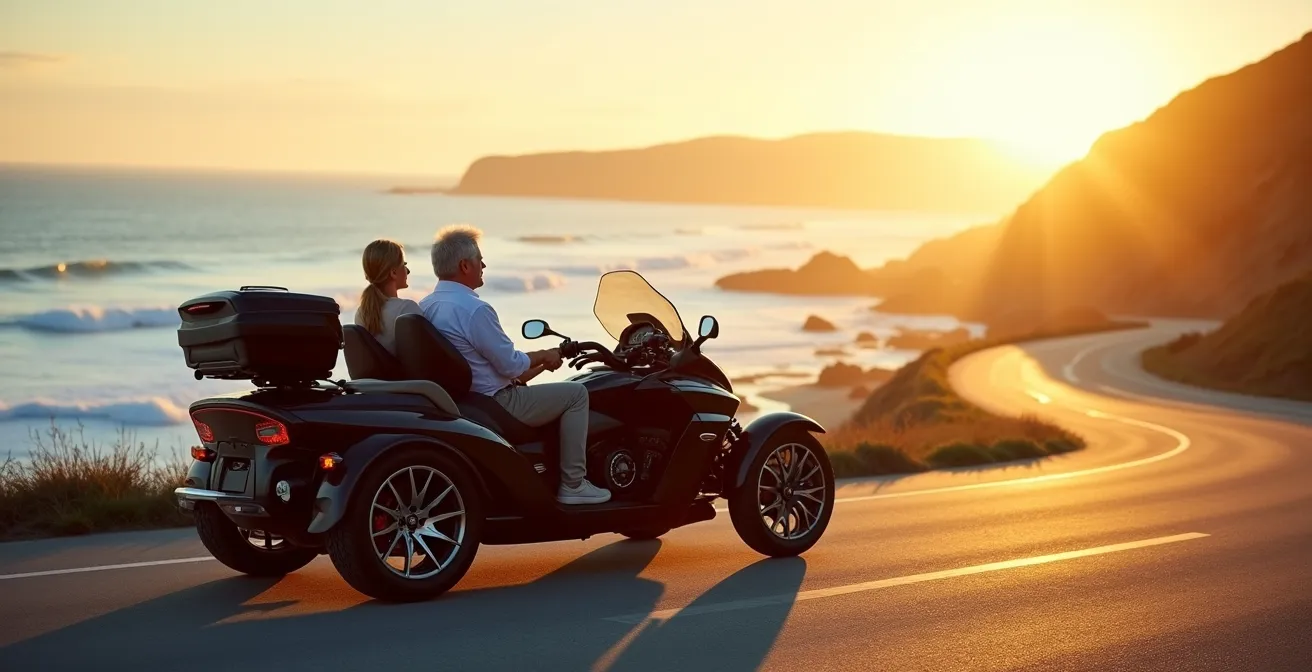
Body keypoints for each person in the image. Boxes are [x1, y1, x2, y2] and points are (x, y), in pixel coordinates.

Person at [419, 224, 612, 505]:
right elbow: (510, 366)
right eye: (479, 260)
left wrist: (541, 362)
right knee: (576, 394)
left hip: (467, 400)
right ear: (464, 265)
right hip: (498, 402)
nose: (483, 265)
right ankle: (574, 484)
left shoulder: (426, 306)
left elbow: (490, 364)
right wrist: (544, 353)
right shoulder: (474, 310)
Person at [354, 239, 421, 354]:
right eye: (404, 265)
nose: (408, 271)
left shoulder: (361, 313)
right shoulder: (407, 310)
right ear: (393, 273)